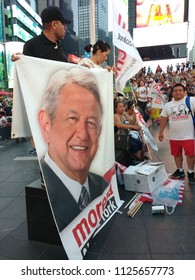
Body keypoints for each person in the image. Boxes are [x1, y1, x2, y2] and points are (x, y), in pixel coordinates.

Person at [38, 67, 109, 231]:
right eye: (72, 118)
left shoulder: (103, 186)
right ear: (46, 124)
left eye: (91, 122)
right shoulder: (44, 198)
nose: (83, 135)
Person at [11, 6, 71, 154]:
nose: (66, 29)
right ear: (55, 24)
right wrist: (21, 62)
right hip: (44, 117)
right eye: (64, 24)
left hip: (63, 113)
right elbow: (28, 79)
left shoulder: (62, 49)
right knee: (48, 161)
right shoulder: (32, 46)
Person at [159, 83, 195, 184]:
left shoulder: (191, 101)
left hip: (189, 135)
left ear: (184, 92)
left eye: (180, 90)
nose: (178, 92)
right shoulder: (168, 105)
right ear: (172, 93)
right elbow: (163, 119)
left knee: (191, 155)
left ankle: (191, 172)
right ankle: (180, 170)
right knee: (176, 154)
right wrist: (161, 132)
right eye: (175, 91)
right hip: (174, 136)